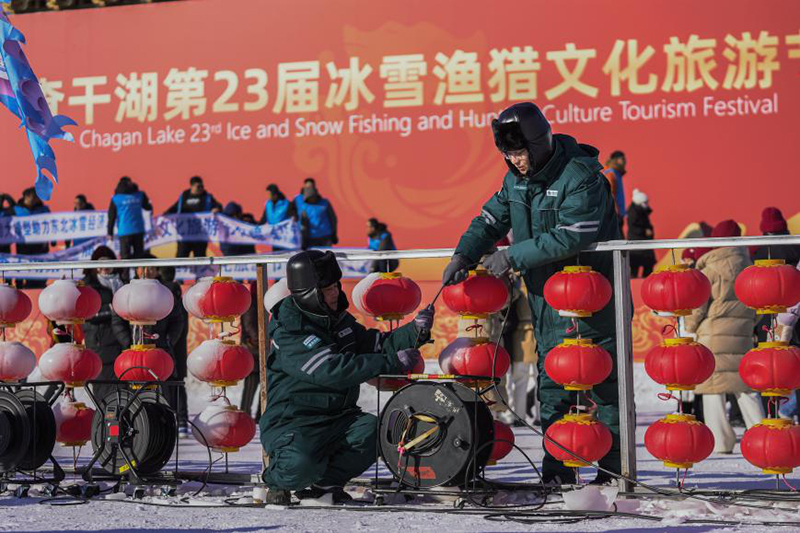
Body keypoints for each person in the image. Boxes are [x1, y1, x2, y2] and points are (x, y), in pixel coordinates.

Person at [442, 102, 622, 485]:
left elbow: (574, 234)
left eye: (520, 153)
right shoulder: (514, 180)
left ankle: (615, 470)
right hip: (546, 303)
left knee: (605, 386)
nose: (515, 161)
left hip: (593, 301)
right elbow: (490, 219)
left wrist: (512, 256)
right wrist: (464, 252)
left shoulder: (580, 175)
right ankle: (559, 471)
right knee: (553, 385)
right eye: (508, 154)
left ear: (539, 145)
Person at [260, 250, 433, 503]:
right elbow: (331, 370)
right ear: (309, 293)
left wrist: (416, 331)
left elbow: (375, 345)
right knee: (301, 464)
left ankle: (324, 485)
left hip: (338, 418)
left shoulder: (339, 320)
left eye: (335, 286)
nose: (334, 293)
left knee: (375, 430)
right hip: (294, 422)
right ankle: (277, 482)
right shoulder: (290, 330)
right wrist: (392, 362)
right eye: (327, 288)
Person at [683, 220, 763, 453]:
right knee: (746, 387)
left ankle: (722, 442)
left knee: (713, 390)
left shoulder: (710, 270)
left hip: (712, 336)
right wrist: (747, 324)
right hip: (743, 336)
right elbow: (757, 307)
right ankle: (761, 433)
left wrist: (691, 325)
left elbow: (698, 305)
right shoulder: (750, 269)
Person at [112, 254, 187, 428]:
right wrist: (127, 341)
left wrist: (168, 339)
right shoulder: (127, 291)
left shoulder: (164, 292)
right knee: (135, 383)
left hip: (160, 346)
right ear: (137, 270)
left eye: (151, 268)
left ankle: (174, 420)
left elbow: (177, 319)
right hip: (135, 348)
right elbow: (117, 320)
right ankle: (137, 421)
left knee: (168, 385)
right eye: (143, 268)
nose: (147, 271)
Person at [81, 245, 126, 404]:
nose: (105, 268)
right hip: (100, 343)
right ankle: (103, 423)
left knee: (122, 388)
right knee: (104, 388)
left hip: (121, 342)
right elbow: (87, 313)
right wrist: (111, 310)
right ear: (95, 267)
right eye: (101, 264)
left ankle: (121, 424)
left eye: (109, 263)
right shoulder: (88, 286)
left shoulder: (123, 283)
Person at [164, 176, 222, 258]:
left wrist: (217, 208)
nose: (201, 188)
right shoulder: (184, 196)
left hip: (200, 235)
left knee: (200, 258)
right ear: (191, 186)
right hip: (184, 235)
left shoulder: (207, 197)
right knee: (181, 257)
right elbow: (175, 208)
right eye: (198, 186)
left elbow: (219, 206)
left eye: (202, 186)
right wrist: (166, 214)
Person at [14, 187, 51, 289]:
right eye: (35, 197)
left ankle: (39, 286)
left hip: (40, 247)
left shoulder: (43, 209)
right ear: (27, 196)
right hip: (23, 246)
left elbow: (52, 224)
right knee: (21, 267)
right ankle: (20, 286)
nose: (37, 199)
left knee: (40, 272)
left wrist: (52, 240)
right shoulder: (16, 210)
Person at [107, 176, 152, 259]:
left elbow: (111, 217)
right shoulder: (139, 195)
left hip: (124, 231)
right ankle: (139, 272)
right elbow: (148, 207)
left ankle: (125, 272)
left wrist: (110, 233)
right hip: (138, 230)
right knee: (139, 256)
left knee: (125, 257)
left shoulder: (116, 199)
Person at [294, 178, 338, 249]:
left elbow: (333, 219)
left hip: (325, 237)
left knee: (326, 258)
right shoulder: (303, 206)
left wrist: (334, 234)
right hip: (311, 239)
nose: (310, 199)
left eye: (312, 197)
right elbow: (303, 225)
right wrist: (304, 240)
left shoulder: (325, 203)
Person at [239, 281, 260, 422]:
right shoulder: (251, 306)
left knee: (261, 384)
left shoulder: (257, 305)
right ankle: (245, 415)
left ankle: (259, 415)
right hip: (253, 351)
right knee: (251, 385)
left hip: (258, 351)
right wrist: (262, 339)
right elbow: (249, 326)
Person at [626, 188, 657, 278]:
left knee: (648, 266)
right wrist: (645, 231)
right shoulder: (633, 213)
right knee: (634, 268)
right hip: (637, 244)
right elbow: (634, 227)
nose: (646, 205)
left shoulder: (641, 211)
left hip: (645, 245)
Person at [602, 150, 627, 230]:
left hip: (618, 213)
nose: (625, 161)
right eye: (622, 159)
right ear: (615, 160)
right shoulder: (611, 173)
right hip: (614, 213)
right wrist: (615, 211)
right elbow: (610, 193)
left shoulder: (617, 173)